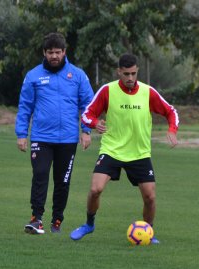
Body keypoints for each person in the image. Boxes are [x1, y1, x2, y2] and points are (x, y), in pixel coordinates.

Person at [70, 53, 179, 243]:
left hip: (139, 153)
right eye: (126, 74)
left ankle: (148, 232)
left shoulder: (148, 92)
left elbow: (171, 111)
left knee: (150, 197)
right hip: (112, 149)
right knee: (95, 189)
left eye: (134, 74)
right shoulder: (107, 91)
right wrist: (95, 123)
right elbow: (87, 114)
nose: (130, 78)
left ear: (137, 72)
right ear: (119, 71)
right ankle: (89, 224)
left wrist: (172, 129)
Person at [15, 32, 94, 234]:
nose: (54, 56)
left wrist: (86, 131)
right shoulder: (33, 76)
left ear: (64, 52)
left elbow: (88, 105)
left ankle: (57, 220)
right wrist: (21, 134)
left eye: (58, 52)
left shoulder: (77, 75)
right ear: (44, 53)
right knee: (40, 175)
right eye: (50, 52)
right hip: (41, 137)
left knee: (62, 180)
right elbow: (25, 106)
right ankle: (36, 219)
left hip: (67, 139)